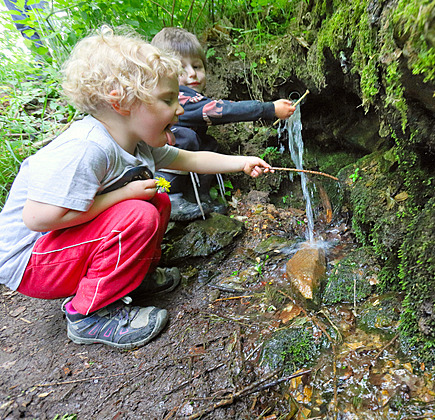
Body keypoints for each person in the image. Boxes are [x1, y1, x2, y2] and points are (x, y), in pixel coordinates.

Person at [0, 26, 273, 350]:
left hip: (59, 250)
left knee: (157, 201)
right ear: (122, 102)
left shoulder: (136, 144)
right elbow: (37, 218)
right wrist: (122, 195)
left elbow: (190, 159)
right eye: (168, 99)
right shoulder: (87, 148)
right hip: (30, 263)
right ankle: (87, 313)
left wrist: (240, 162)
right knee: (138, 213)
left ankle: (130, 279)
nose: (180, 110)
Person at [150, 27, 295, 221]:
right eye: (181, 69)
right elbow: (221, 110)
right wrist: (268, 109)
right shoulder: (178, 97)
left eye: (197, 66)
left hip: (184, 155)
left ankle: (198, 196)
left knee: (208, 144)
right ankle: (170, 196)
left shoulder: (191, 96)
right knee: (186, 137)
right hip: (160, 157)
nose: (192, 74)